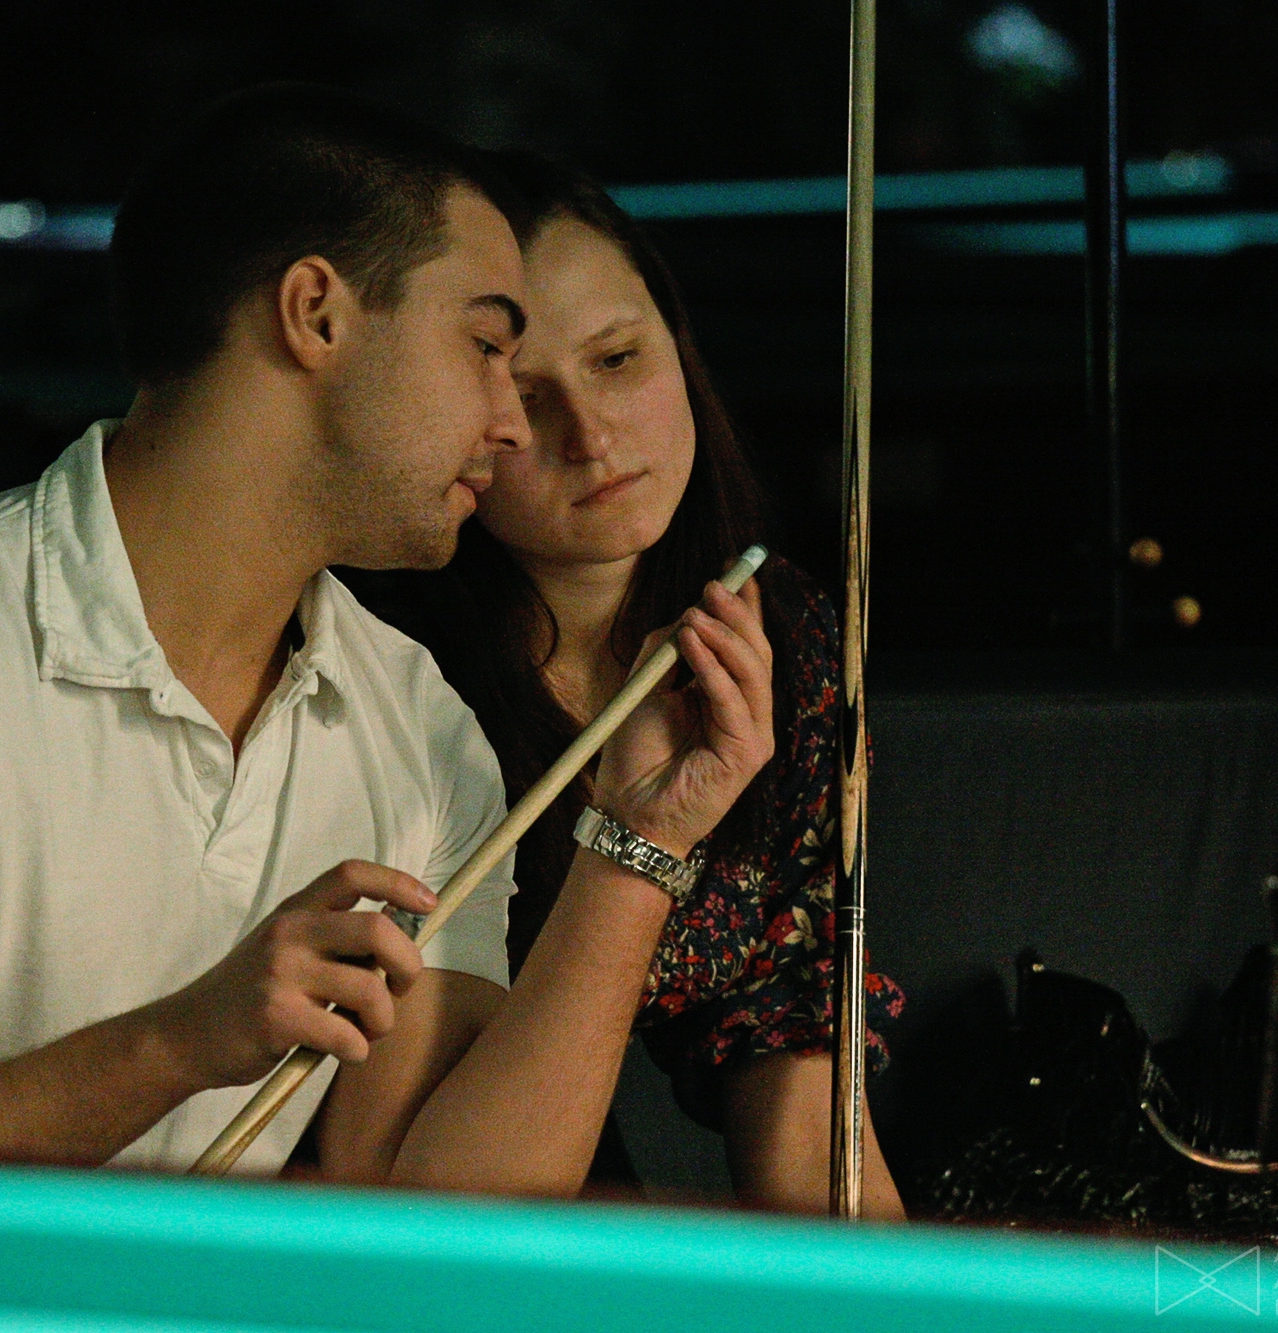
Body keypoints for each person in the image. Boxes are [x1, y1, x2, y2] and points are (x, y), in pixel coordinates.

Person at [0, 87, 774, 1193]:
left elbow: (435, 1207)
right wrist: (177, 1042)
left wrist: (638, 848)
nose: (509, 419)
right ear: (316, 314)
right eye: (484, 345)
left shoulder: (418, 725)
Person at [344, 152, 907, 1215]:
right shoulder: (385, 675)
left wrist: (892, 1288)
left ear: (675, 340)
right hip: (436, 1211)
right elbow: (425, 1208)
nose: (590, 437)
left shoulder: (781, 634)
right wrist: (639, 843)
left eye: (616, 358)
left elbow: (800, 1076)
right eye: (524, 395)